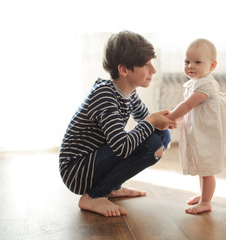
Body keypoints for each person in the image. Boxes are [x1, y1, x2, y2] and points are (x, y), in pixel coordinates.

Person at [59, 31, 176, 217]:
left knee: (160, 137)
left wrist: (167, 121)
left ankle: (111, 188)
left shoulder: (128, 93)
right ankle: (94, 195)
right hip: (77, 170)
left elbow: (150, 122)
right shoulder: (105, 95)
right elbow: (122, 147)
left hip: (94, 161)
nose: (153, 70)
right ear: (124, 70)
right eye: (146, 65)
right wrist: (151, 122)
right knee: (153, 146)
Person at [167, 38, 226, 214]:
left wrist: (171, 117)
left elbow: (188, 105)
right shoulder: (195, 82)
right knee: (200, 166)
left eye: (197, 62)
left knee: (206, 169)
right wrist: (178, 119)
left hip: (208, 134)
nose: (190, 66)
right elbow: (191, 109)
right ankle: (203, 195)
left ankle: (206, 202)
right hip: (199, 131)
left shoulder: (206, 83)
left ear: (212, 66)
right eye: (187, 61)